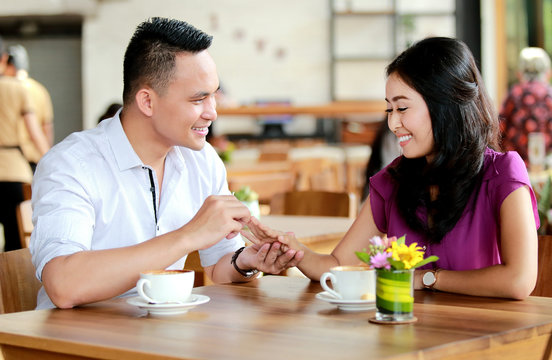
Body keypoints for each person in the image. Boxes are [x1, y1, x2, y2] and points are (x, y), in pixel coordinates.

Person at [30, 17, 303, 310]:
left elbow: (218, 268)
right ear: (147, 102)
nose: (212, 113)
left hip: (165, 339)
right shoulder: (71, 164)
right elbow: (64, 284)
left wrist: (246, 261)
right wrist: (187, 236)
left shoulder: (202, 159)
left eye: (214, 96)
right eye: (198, 99)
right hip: (76, 346)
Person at [249, 37, 539, 300]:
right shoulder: (392, 182)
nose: (392, 123)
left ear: (445, 105)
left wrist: (427, 279)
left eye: (402, 108)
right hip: (405, 335)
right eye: (389, 109)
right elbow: (337, 266)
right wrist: (294, 249)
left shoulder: (502, 174)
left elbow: (518, 280)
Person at [0, 36, 50, 252]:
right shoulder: (20, 89)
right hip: (16, 171)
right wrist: (49, 158)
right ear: (3, 59)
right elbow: (37, 130)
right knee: (15, 239)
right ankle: (11, 286)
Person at [5, 44, 54, 171]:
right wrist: (48, 158)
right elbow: (46, 128)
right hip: (35, 160)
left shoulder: (6, 89)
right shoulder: (39, 90)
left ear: (8, 65)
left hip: (11, 162)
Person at [500, 47, 552, 164]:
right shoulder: (549, 95)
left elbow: (500, 129)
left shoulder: (514, 94)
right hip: (547, 166)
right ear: (548, 72)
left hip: (518, 166)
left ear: (519, 72)